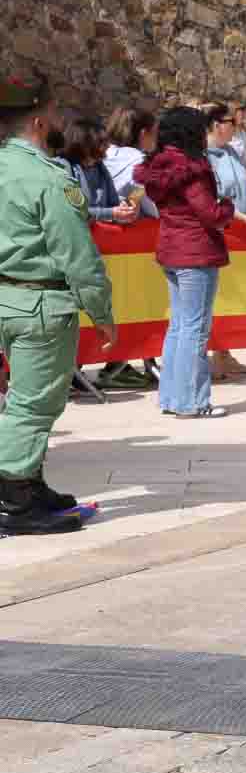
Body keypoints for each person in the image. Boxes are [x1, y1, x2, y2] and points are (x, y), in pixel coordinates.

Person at [0, 73, 118, 529]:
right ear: (37, 120)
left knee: (24, 399)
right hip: (40, 303)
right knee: (34, 405)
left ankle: (28, 482)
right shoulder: (49, 178)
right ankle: (17, 499)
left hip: (7, 298)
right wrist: (101, 311)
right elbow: (77, 255)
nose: (56, 119)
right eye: (51, 111)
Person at [137, 106, 246, 420]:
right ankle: (193, 402)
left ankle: (172, 397)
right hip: (196, 251)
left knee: (179, 327)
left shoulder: (159, 166)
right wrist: (228, 206)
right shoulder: (192, 168)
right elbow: (210, 213)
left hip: (171, 248)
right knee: (195, 329)